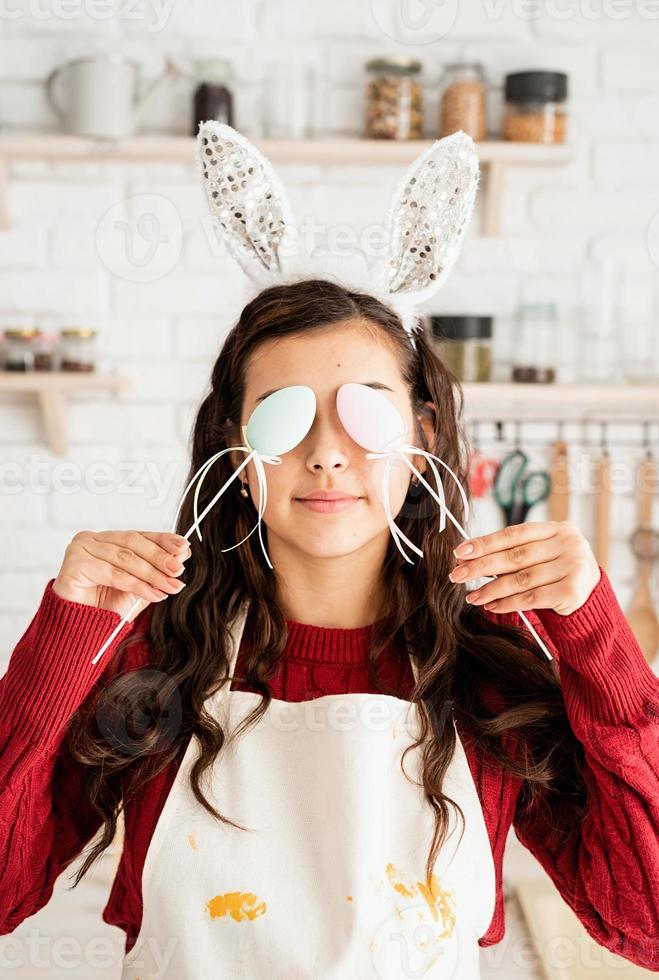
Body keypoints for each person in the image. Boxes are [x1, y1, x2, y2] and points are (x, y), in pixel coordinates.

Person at [1, 280, 658, 979]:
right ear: (236, 452)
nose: (325, 453)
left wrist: (596, 641)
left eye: (365, 414)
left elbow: (645, 922)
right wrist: (61, 642)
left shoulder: (487, 665)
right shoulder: (152, 653)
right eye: (283, 417)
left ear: (421, 438)